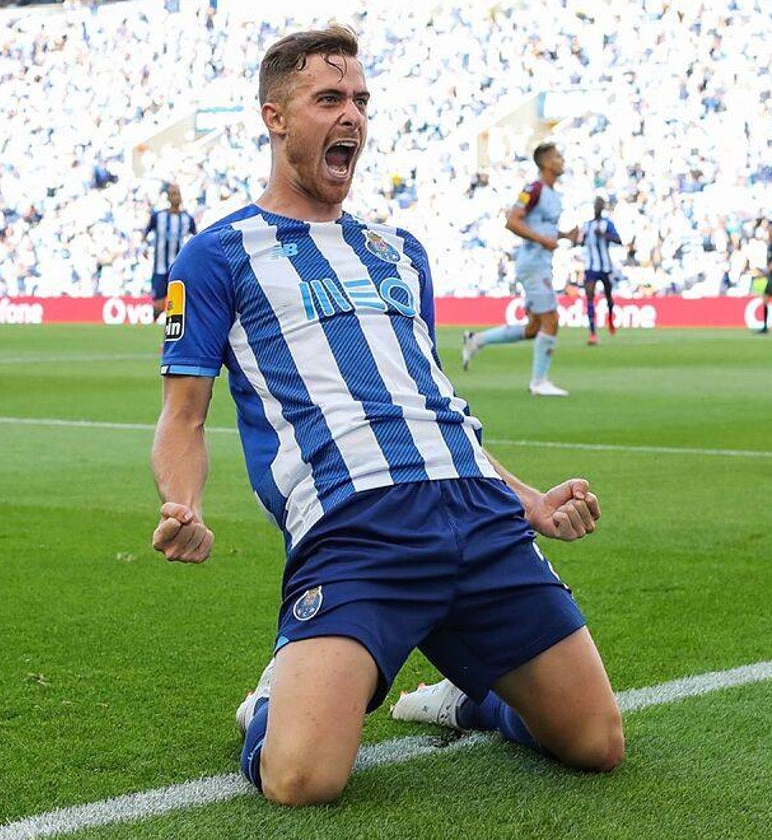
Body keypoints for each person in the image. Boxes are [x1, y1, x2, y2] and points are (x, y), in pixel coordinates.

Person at [150, 25, 622, 807]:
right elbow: (183, 417)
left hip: (474, 509)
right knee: (301, 779)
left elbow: (429, 408)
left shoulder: (400, 249)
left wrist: (530, 501)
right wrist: (184, 504)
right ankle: (276, 700)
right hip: (356, 524)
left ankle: (469, 696)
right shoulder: (218, 255)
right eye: (328, 99)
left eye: (361, 101)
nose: (353, 117)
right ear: (274, 117)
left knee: (596, 743)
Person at [461, 143, 579, 396]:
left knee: (533, 328)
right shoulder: (533, 188)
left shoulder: (552, 194)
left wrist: (563, 235)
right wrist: (542, 240)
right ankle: (538, 383)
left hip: (541, 263)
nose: (561, 160)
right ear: (546, 163)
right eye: (557, 156)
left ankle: (477, 339)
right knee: (552, 320)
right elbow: (512, 221)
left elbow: (542, 227)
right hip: (533, 264)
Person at [145, 183, 197, 323]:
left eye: (178, 193)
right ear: (168, 197)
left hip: (179, 267)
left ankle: (173, 334)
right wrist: (145, 248)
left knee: (180, 303)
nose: (176, 197)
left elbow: (196, 238)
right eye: (173, 193)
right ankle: (153, 324)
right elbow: (146, 232)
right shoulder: (158, 217)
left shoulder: (187, 219)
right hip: (160, 267)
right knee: (158, 305)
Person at [578, 197, 621, 345]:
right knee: (589, 296)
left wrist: (604, 235)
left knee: (608, 296)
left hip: (605, 267)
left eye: (599, 205)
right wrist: (579, 239)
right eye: (595, 205)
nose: (597, 207)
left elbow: (618, 240)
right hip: (591, 266)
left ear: (602, 208)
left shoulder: (607, 224)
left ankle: (610, 318)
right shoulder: (587, 225)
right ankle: (592, 332)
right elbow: (581, 242)